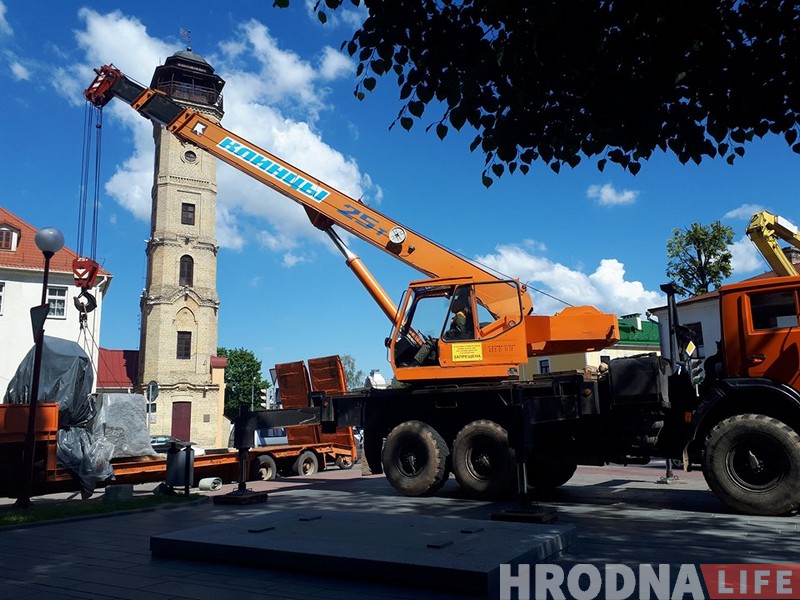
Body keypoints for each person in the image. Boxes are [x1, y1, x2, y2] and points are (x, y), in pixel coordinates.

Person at [412, 292, 473, 366]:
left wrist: (446, 335)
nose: (452, 304)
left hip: (454, 343)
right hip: (456, 342)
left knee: (430, 343)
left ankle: (415, 364)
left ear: (460, 304)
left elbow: (460, 331)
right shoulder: (465, 315)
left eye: (455, 301)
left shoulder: (459, 315)